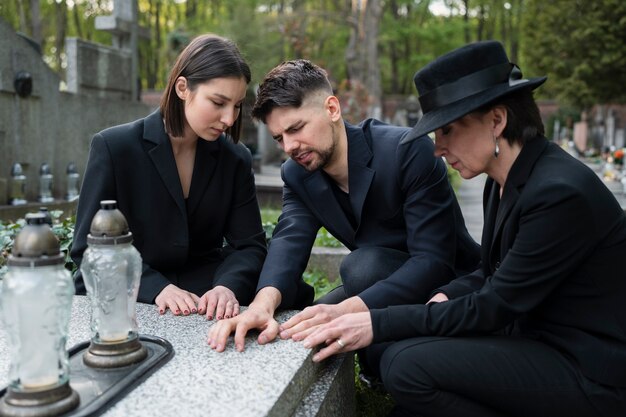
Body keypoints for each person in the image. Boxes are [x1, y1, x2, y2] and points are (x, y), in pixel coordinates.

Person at [299, 41, 626, 417]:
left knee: (405, 366)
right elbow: (492, 270)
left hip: (589, 369)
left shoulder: (558, 192)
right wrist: (444, 294)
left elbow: (496, 304)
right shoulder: (504, 178)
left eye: (448, 130)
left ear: (497, 120)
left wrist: (376, 321)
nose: (437, 148)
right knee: (402, 363)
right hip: (536, 337)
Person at [207, 59, 480, 353]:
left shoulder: (407, 151)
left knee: (360, 268)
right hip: (377, 285)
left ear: (332, 109)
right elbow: (289, 240)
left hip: (450, 285)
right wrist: (262, 304)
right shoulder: (297, 174)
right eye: (279, 138)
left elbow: (433, 261)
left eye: (296, 128)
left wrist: (346, 311)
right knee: (300, 329)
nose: (289, 147)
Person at [71, 34, 267, 321]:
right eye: (218, 102)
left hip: (203, 285)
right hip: (131, 285)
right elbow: (87, 248)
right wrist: (157, 288)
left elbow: (249, 245)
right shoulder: (115, 147)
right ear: (183, 88)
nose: (229, 119)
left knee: (293, 290)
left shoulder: (234, 157)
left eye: (237, 105)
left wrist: (227, 287)